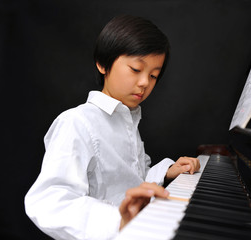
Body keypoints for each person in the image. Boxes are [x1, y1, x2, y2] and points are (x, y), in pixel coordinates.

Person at [24, 15, 200, 240]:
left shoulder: (128, 119)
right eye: (136, 69)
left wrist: (165, 173)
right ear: (103, 64)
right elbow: (49, 201)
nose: (145, 82)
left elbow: (134, 179)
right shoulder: (76, 122)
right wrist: (118, 220)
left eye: (154, 75)